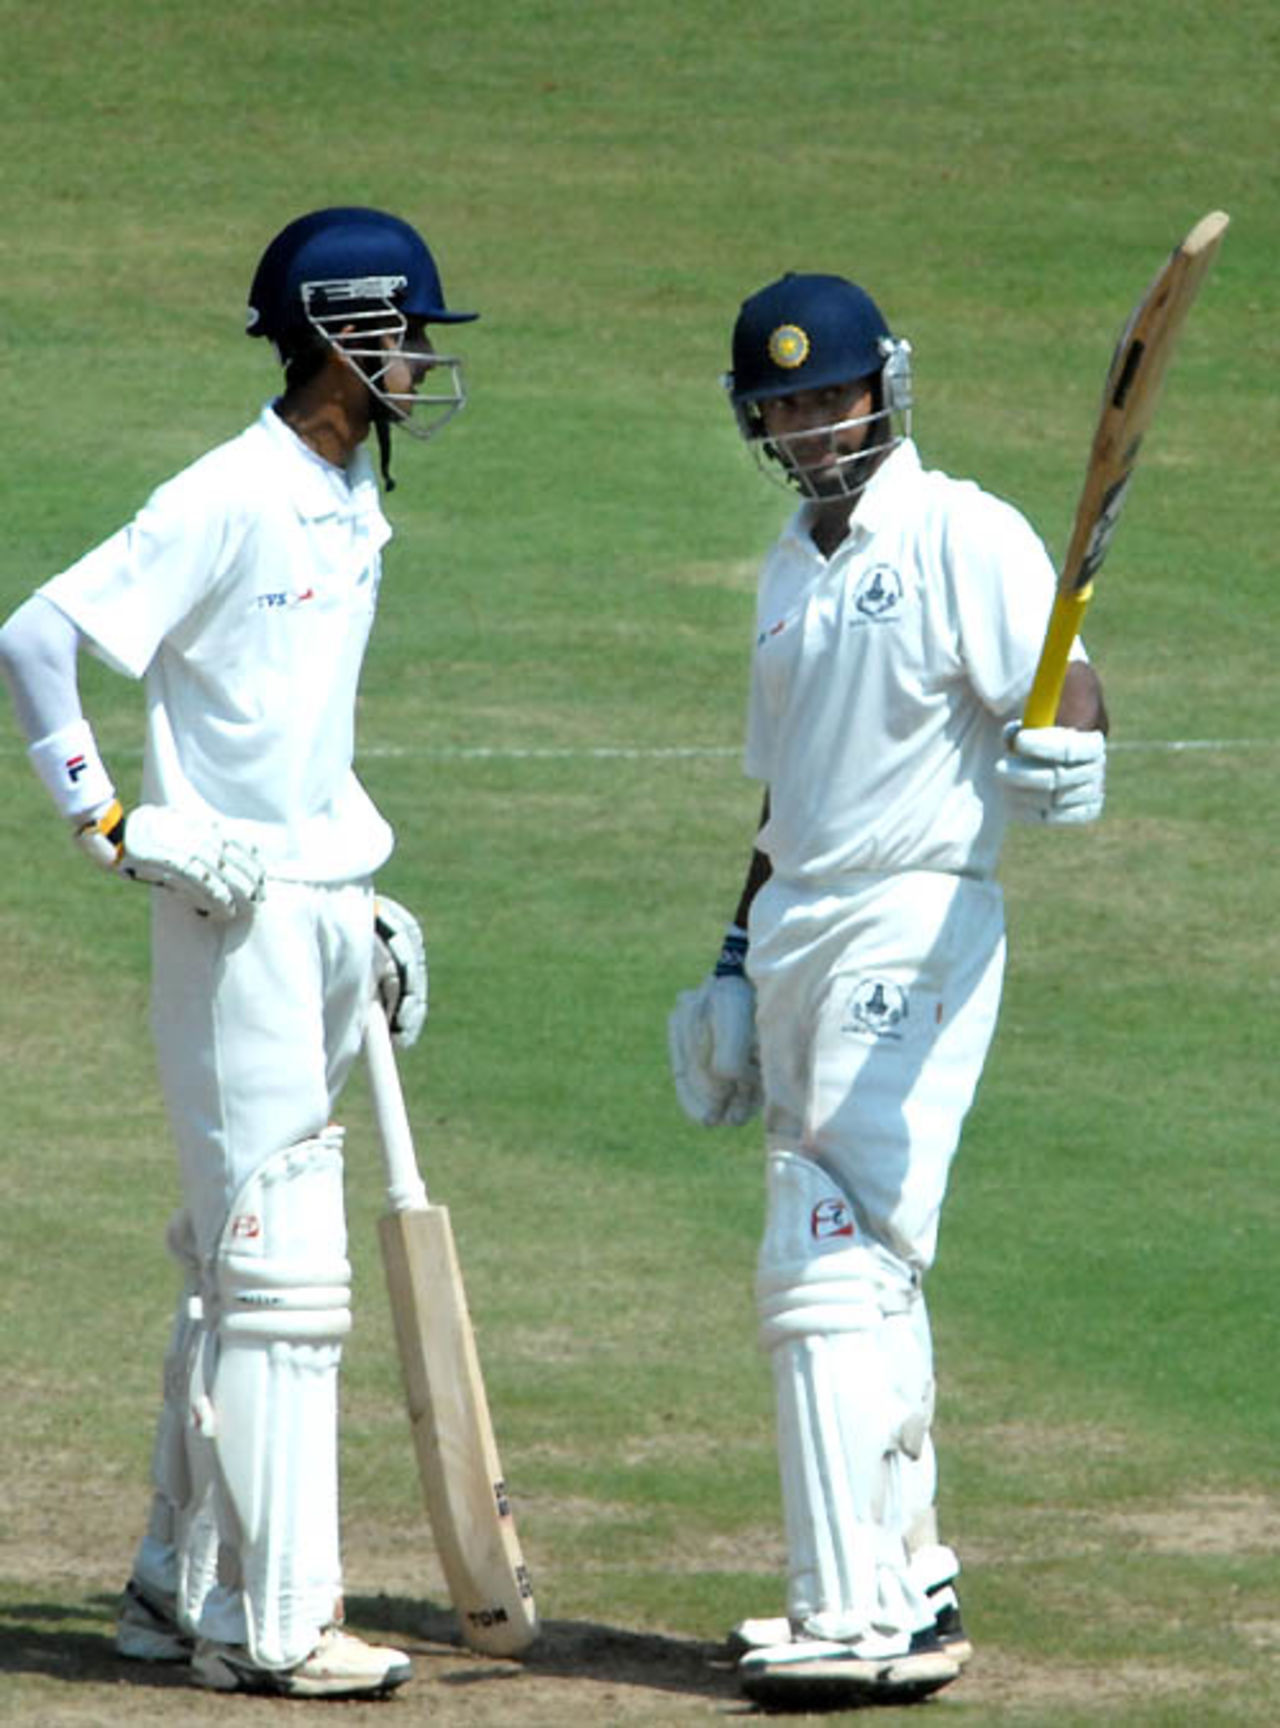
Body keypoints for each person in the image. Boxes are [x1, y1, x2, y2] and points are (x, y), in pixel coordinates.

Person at [0, 206, 474, 1698]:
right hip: (227, 915)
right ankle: (275, 1627)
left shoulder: (351, 498)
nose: (417, 361)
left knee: (233, 1268)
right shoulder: (228, 491)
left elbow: (297, 732)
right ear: (336, 333)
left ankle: (170, 1588)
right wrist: (114, 824)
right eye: (401, 332)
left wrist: (358, 888)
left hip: (312, 900)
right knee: (281, 1278)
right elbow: (31, 637)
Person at [668, 272, 1107, 1710]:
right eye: (782, 406)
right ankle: (908, 1582)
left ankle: (848, 1614)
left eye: (829, 396)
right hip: (801, 929)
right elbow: (779, 801)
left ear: (881, 389)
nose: (811, 426)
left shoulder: (961, 529)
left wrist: (1069, 754)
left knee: (824, 1261)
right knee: (866, 1266)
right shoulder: (791, 570)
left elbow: (1067, 692)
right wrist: (733, 961)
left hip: (914, 920)